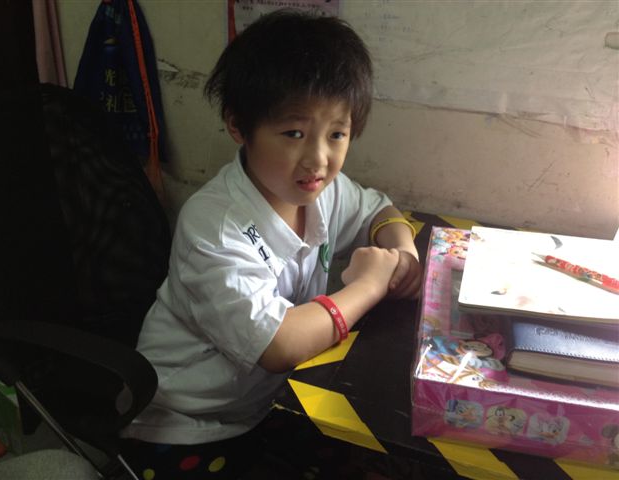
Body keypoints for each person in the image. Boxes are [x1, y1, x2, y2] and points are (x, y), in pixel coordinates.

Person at [120, 9, 422, 479]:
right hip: (185, 424)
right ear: (239, 126)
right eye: (293, 133)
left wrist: (403, 255)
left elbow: (379, 211)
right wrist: (370, 285)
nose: (318, 159)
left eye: (337, 134)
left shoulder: (319, 190)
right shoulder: (215, 225)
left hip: (269, 404)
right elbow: (279, 344)